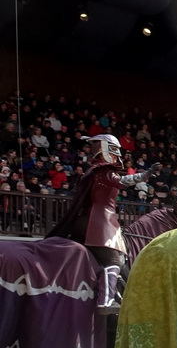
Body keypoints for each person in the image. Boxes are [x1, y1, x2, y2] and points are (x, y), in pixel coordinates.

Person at [46, 134, 153, 313]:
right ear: (105, 149)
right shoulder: (105, 172)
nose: (117, 153)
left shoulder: (91, 172)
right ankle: (106, 301)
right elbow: (122, 181)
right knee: (114, 260)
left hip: (84, 220)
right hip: (100, 221)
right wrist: (145, 175)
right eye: (114, 149)